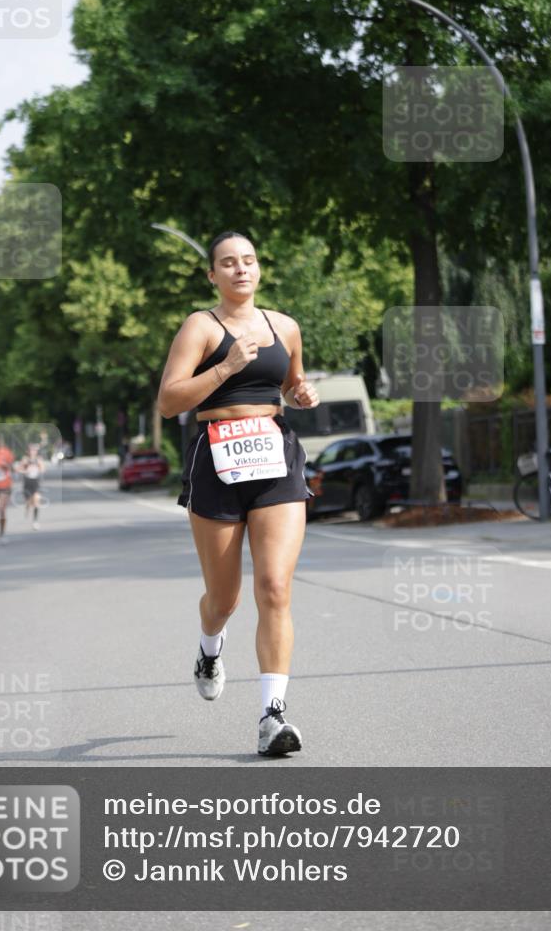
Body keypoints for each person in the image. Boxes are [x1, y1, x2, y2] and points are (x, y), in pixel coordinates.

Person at [158, 231, 319, 756]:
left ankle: (273, 717)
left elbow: (292, 383)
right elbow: (168, 401)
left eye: (248, 260)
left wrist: (301, 392)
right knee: (223, 600)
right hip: (217, 459)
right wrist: (226, 367)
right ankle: (209, 649)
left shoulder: (285, 326)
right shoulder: (200, 327)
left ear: (258, 269)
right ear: (213, 275)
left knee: (274, 587)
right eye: (228, 263)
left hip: (274, 457)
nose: (240, 269)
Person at [16, 444, 45, 530]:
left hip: (35, 483)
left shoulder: (38, 459)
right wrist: (25, 471)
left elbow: (43, 469)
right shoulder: (25, 459)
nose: (33, 452)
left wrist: (39, 469)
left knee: (37, 500)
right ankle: (27, 507)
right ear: (28, 451)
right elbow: (18, 469)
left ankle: (35, 521)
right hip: (27, 483)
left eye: (35, 450)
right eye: (31, 450)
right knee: (29, 502)